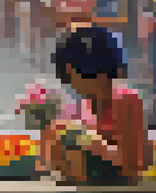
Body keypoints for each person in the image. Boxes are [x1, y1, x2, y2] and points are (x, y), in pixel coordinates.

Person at [40, 26, 149, 184]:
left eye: (69, 75)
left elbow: (133, 166)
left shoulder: (125, 100)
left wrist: (96, 146)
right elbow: (57, 166)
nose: (69, 83)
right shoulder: (82, 105)